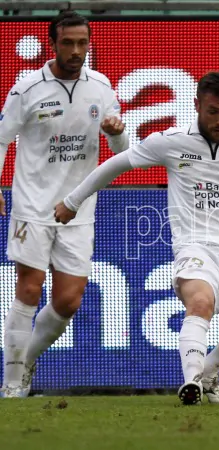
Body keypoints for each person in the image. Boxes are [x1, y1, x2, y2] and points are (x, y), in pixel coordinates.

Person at [55, 71, 219, 406]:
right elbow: (116, 164)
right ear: (196, 105)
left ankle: (208, 370)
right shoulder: (171, 141)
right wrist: (73, 201)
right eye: (213, 111)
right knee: (201, 302)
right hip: (195, 249)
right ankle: (191, 381)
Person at [0, 11, 129, 398]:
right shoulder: (27, 88)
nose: (76, 51)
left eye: (82, 43)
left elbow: (120, 150)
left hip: (77, 207)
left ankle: (25, 361)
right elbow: (2, 138)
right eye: (68, 43)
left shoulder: (102, 87)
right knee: (29, 288)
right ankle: (11, 385)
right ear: (53, 44)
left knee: (69, 301)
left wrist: (117, 134)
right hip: (32, 204)